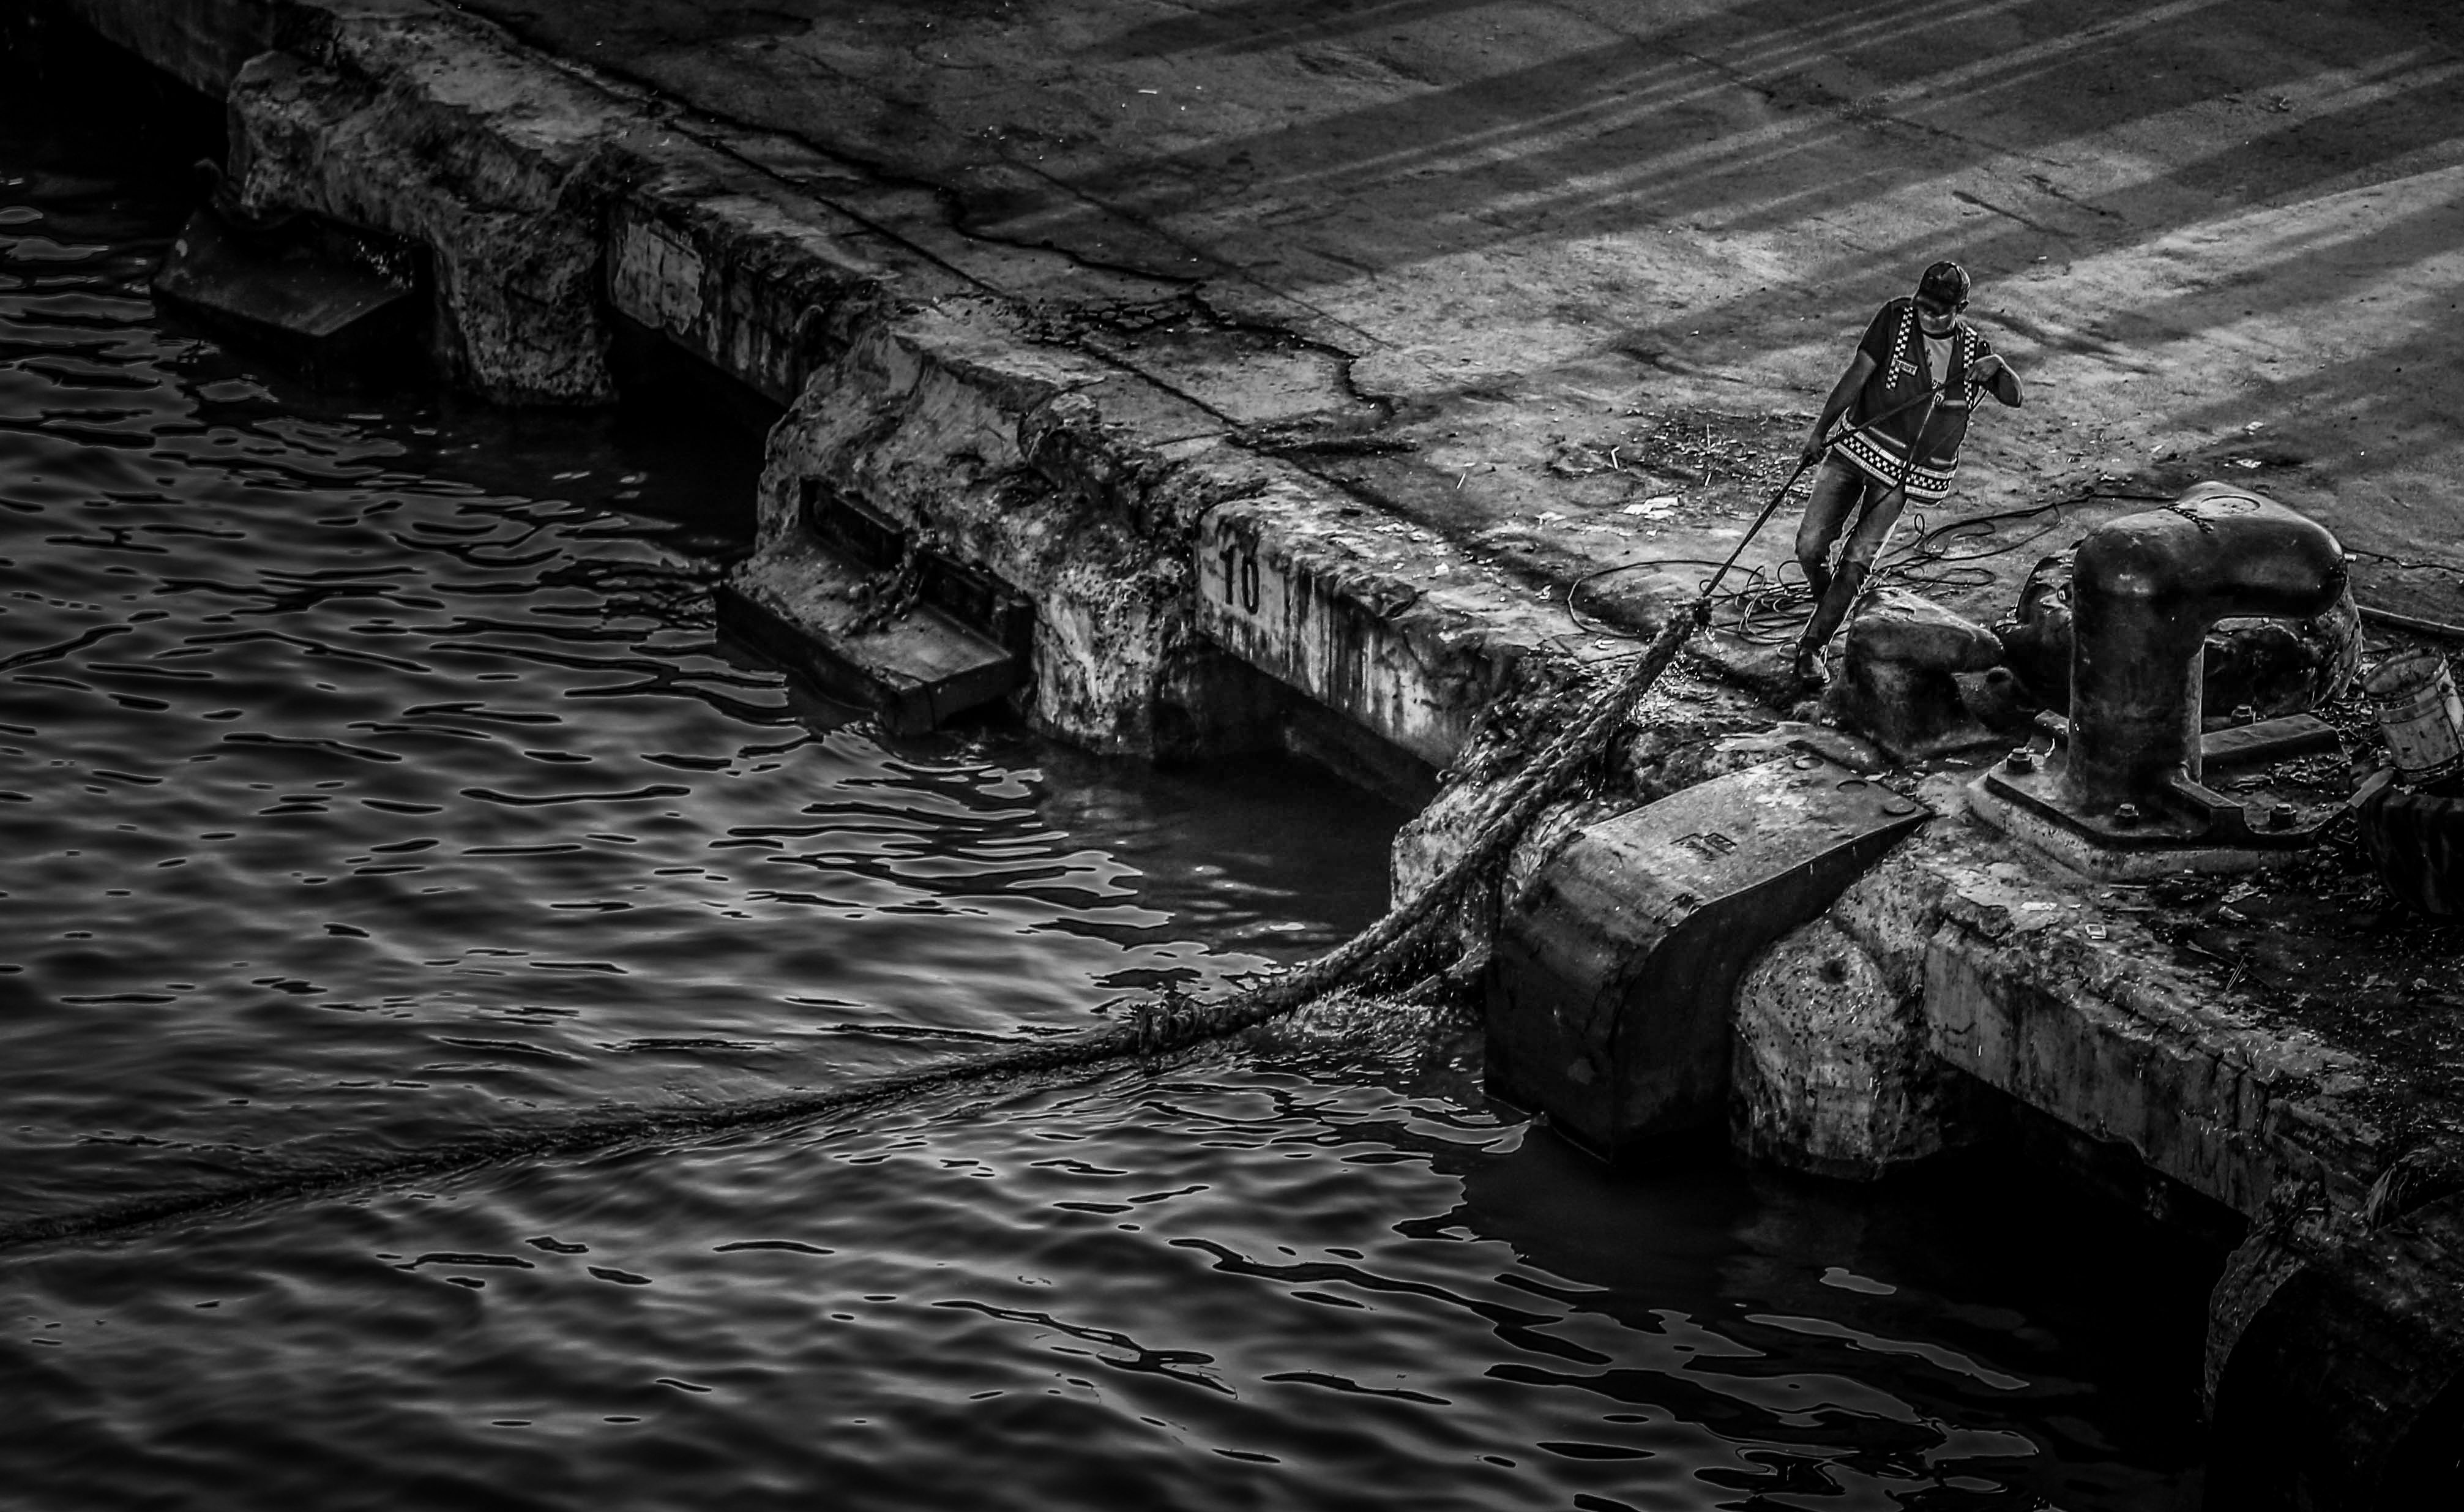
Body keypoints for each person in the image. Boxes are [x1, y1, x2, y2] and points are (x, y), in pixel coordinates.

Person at [1789, 260, 2022, 686]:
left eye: (1940, 310)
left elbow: (2014, 397)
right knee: (1809, 545)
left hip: (1899, 474)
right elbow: (1856, 376)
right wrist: (1819, 431)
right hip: (1854, 449)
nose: (1928, 315)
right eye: (1924, 305)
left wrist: (2000, 367)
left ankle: (1813, 645)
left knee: (1859, 558)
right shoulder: (1894, 317)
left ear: (1961, 308)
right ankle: (1833, 607)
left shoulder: (1972, 350)